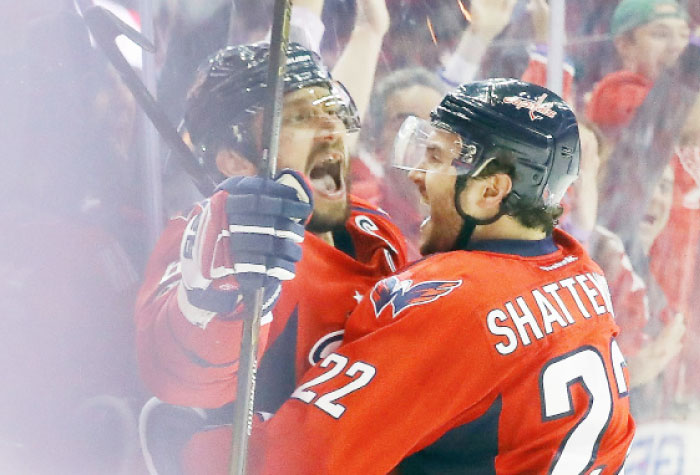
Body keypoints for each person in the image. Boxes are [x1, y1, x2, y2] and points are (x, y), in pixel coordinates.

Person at [238, 79, 635, 473]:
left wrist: (194, 435)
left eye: (436, 158)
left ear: (491, 191)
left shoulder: (457, 299)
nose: (418, 175)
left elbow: (296, 460)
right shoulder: (581, 272)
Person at [134, 41, 408, 473]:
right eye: (299, 116)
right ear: (235, 161)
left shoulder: (371, 228)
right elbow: (177, 367)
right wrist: (217, 299)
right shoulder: (214, 239)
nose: (329, 129)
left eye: (331, 110)